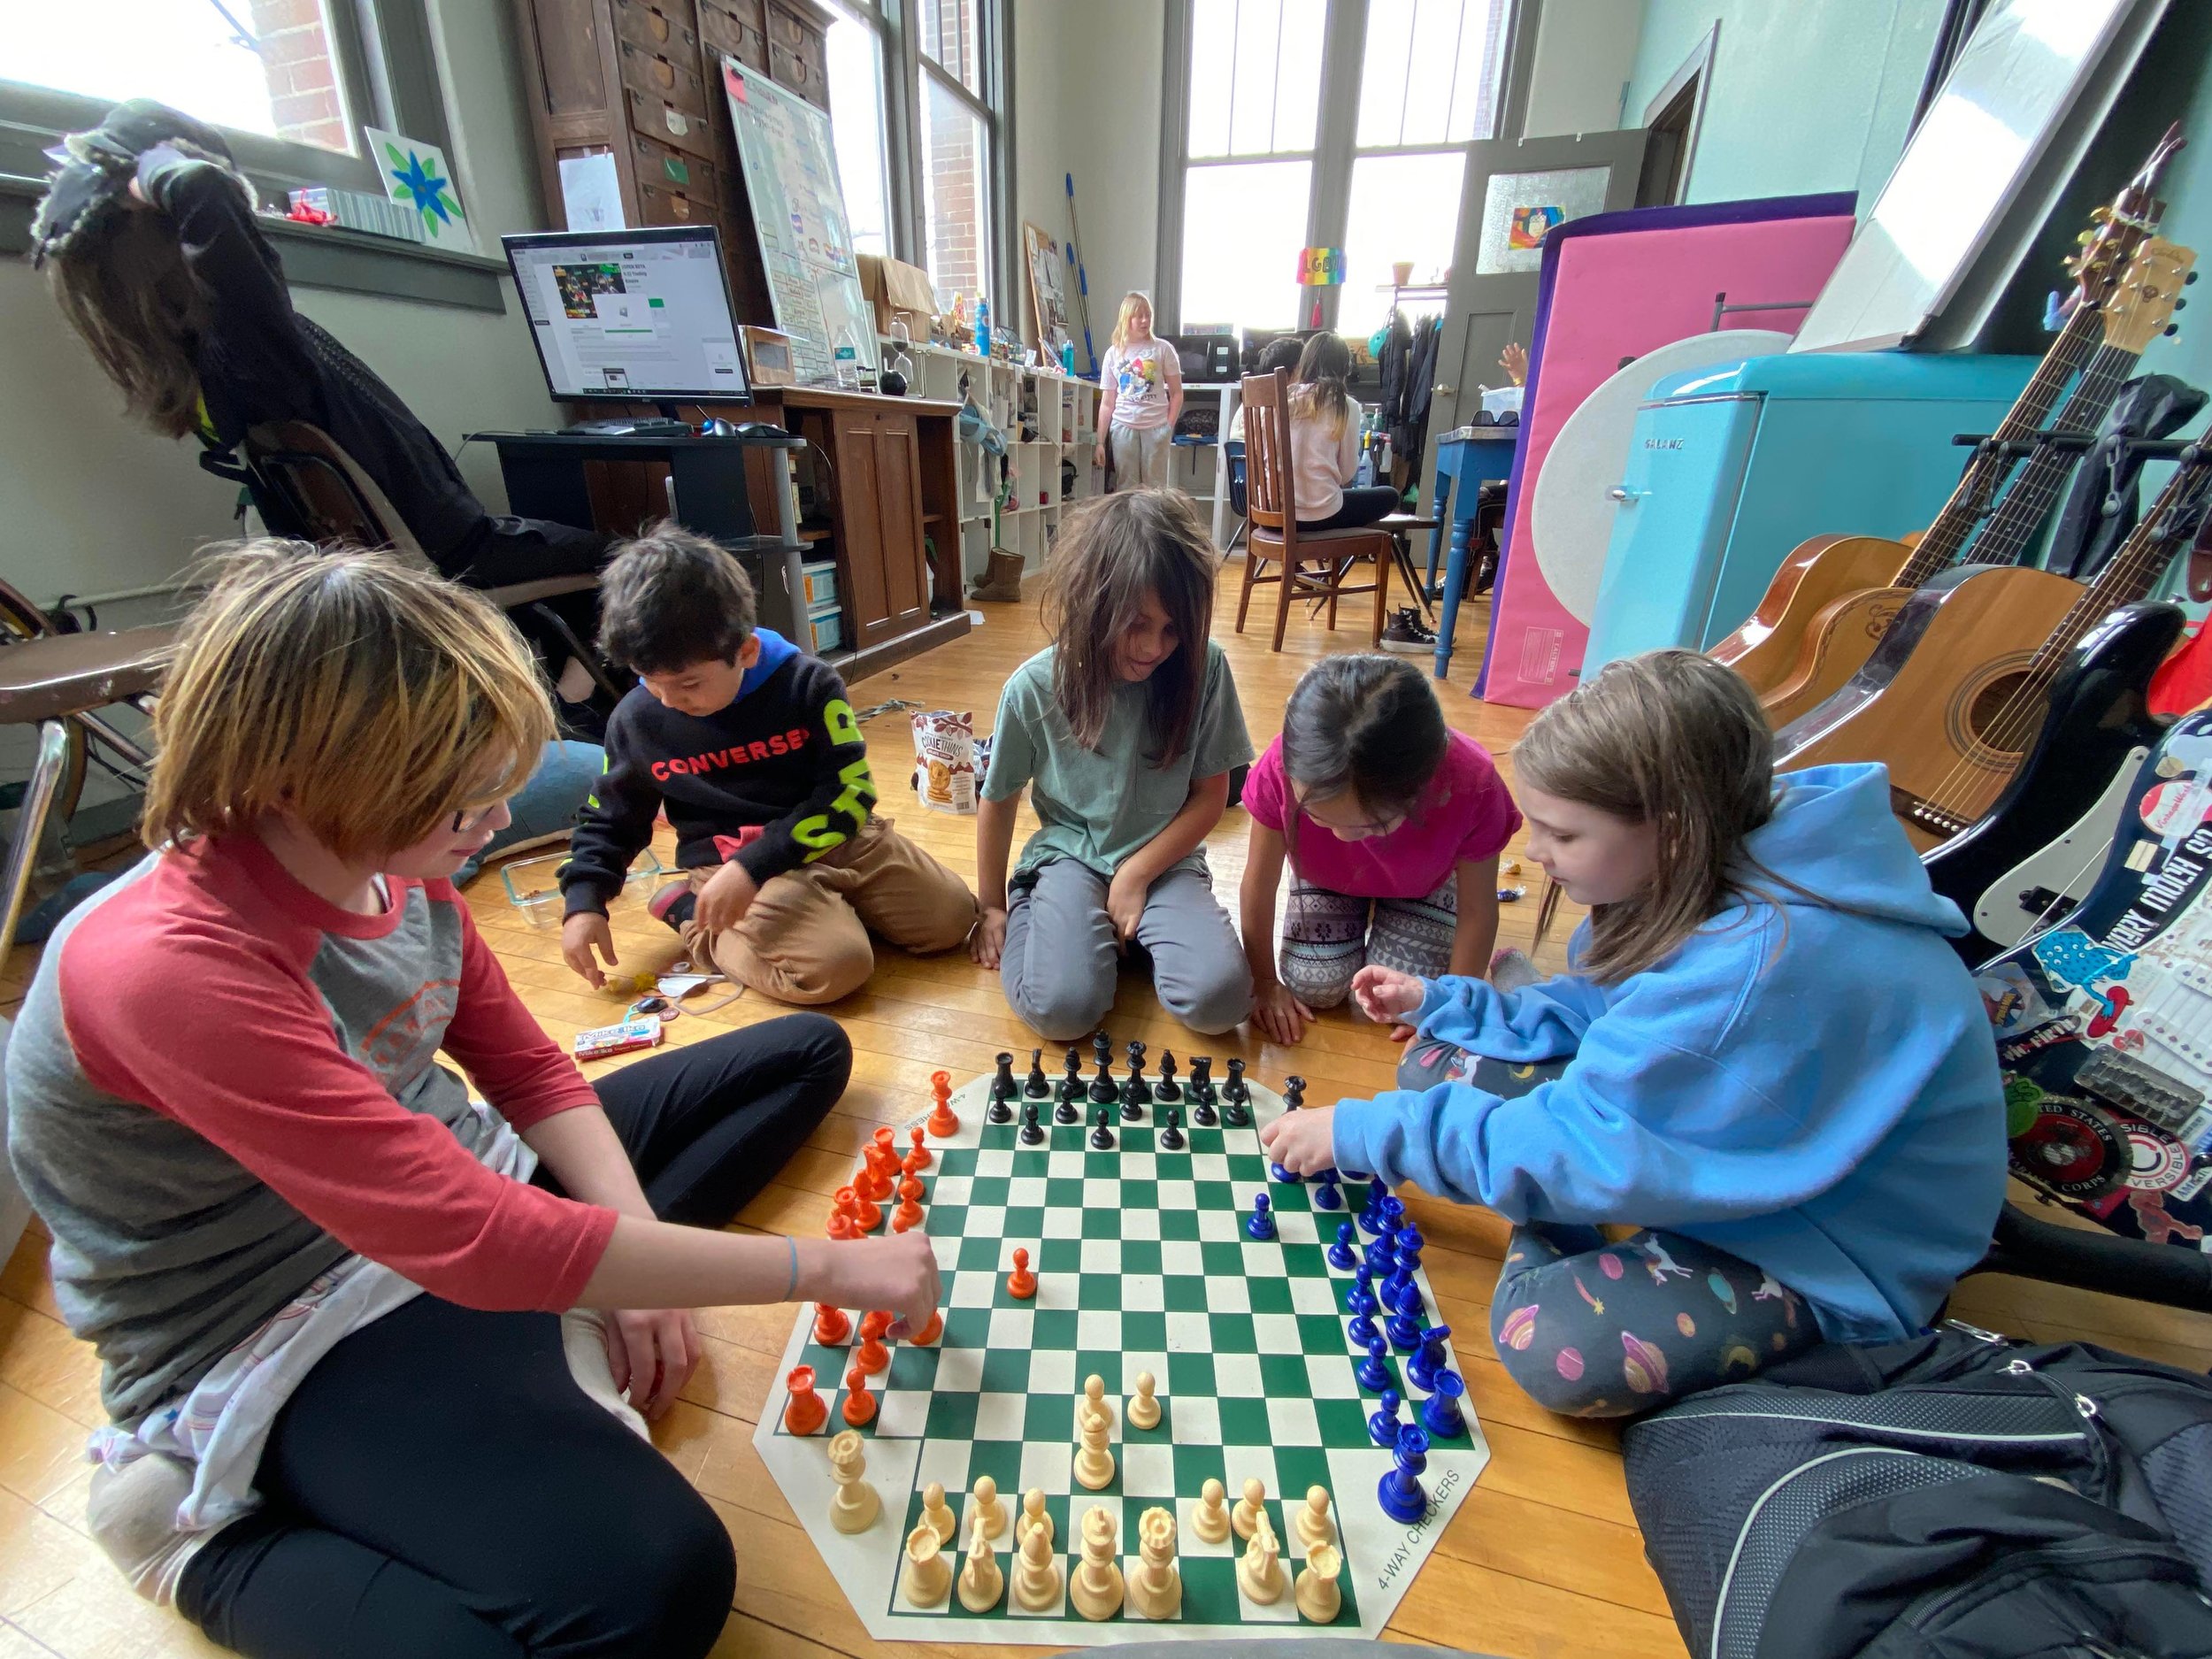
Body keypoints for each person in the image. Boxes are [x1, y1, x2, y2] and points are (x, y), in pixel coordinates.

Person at [5, 544, 939, 1657]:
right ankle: (198, 1541)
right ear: (317, 784)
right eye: (461, 800)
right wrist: (831, 1269)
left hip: (453, 1204)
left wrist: (626, 1245)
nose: (495, 825)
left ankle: (586, 1295)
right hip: (277, 1316)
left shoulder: (399, 872)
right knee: (658, 1587)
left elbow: (531, 1072)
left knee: (797, 1058)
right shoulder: (165, 967)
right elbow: (471, 1240)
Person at [1263, 651, 2007, 1417]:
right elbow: (1601, 1008)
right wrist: (1447, 1001)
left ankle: (1567, 1204)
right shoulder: (1712, 857)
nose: (1536, 854)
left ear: (1671, 829)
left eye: (1562, 833)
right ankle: (1562, 1178)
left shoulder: (1753, 967)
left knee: (1548, 1341)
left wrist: (1363, 1128)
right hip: (1737, 1136)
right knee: (1433, 1068)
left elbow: (1594, 1130)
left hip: (1829, 1244)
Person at [31, 100, 608, 683]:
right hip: (459, 551)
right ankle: (587, 718)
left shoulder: (210, 374)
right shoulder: (254, 358)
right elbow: (208, 194)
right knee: (630, 560)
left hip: (415, 554)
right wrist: (164, 168)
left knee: (562, 573)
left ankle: (553, 702)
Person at [561, 524, 976, 1005]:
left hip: (828, 837)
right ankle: (695, 918)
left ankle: (824, 912)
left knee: (953, 920)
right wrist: (583, 901)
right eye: (648, 680)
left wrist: (758, 865)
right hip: (727, 860)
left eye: (689, 683)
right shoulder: (637, 720)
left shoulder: (807, 685)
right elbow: (610, 816)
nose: (668, 700)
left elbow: (851, 794)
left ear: (746, 651)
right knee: (834, 971)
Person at [972, 490, 1256, 1041]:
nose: (1154, 647)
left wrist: (1135, 874)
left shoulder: (1206, 667)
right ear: (1093, 605)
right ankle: (1059, 916)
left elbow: (1209, 796)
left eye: (1173, 629)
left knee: (1221, 1003)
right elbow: (999, 799)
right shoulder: (1033, 687)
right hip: (1070, 858)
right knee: (1063, 1010)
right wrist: (990, 908)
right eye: (1137, 623)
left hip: (1165, 858)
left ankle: (1120, 936)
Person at [1240, 656, 1519, 1045]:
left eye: (1370, 827)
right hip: (1328, 878)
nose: (1342, 837)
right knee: (1312, 987)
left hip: (1424, 882)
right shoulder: (1280, 769)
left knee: (1400, 1000)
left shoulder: (1472, 783)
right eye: (1319, 818)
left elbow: (1478, 909)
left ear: (1423, 787)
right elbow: (1258, 881)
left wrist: (1452, 1002)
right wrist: (1265, 981)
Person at [1284, 332, 1398, 531]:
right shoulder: (1345, 406)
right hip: (1321, 516)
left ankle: (1298, 561)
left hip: (1274, 514)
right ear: (1345, 367)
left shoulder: (1281, 400)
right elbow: (1347, 473)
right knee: (1390, 495)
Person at [1095, 292, 1182, 490]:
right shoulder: (1113, 353)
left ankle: (1155, 523)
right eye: (1139, 316)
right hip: (1123, 428)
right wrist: (1100, 442)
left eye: (1148, 315)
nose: (1145, 320)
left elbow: (1177, 393)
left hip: (1156, 428)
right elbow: (1107, 402)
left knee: (1156, 490)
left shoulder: (1163, 349)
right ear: (1127, 319)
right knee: (1126, 488)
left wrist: (1167, 426)